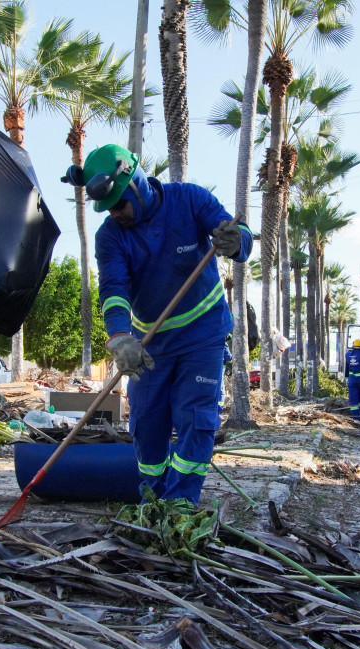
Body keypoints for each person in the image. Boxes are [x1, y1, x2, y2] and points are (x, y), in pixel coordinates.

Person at [63, 144, 252, 506]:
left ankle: (181, 506)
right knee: (147, 424)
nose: (116, 213)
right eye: (109, 208)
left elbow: (236, 232)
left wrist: (237, 239)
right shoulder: (111, 236)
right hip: (149, 345)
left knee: (195, 419)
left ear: (136, 184)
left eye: (120, 204)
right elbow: (115, 290)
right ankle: (153, 501)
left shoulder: (190, 200)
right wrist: (120, 337)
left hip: (203, 336)